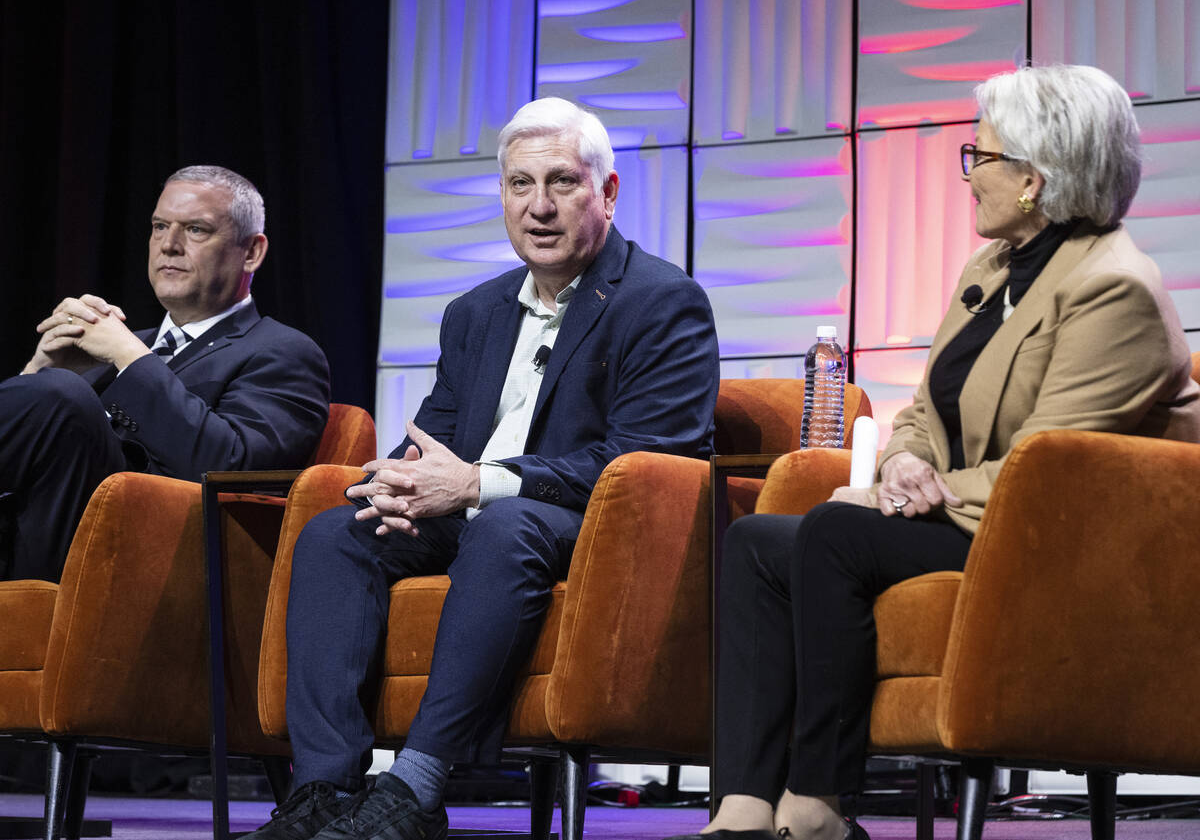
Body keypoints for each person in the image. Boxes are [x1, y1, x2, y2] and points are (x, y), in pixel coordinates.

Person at [670, 64, 1200, 840]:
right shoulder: (991, 269)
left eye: (978, 157)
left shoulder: (1114, 288)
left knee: (835, 533)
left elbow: (1046, 467)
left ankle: (817, 804)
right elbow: (921, 410)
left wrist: (899, 497)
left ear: (1032, 178)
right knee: (755, 542)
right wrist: (899, 464)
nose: (968, 176)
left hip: (1061, 547)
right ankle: (744, 809)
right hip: (973, 510)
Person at [248, 97, 720, 840]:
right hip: (475, 514)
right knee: (338, 533)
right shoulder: (475, 311)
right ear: (500, 194)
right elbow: (434, 434)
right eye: (519, 185)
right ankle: (324, 790)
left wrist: (481, 482)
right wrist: (396, 481)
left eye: (562, 182)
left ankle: (417, 787)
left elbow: (644, 459)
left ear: (609, 192)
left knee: (507, 525)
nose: (539, 207)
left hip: (585, 525)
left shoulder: (662, 302)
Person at [0, 165, 331, 582]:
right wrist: (37, 370)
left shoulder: (284, 352)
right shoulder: (107, 349)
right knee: (55, 389)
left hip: (151, 557)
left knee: (62, 398)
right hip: (36, 531)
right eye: (159, 226)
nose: (169, 246)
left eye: (195, 229)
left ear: (251, 251)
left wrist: (129, 357)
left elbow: (233, 469)